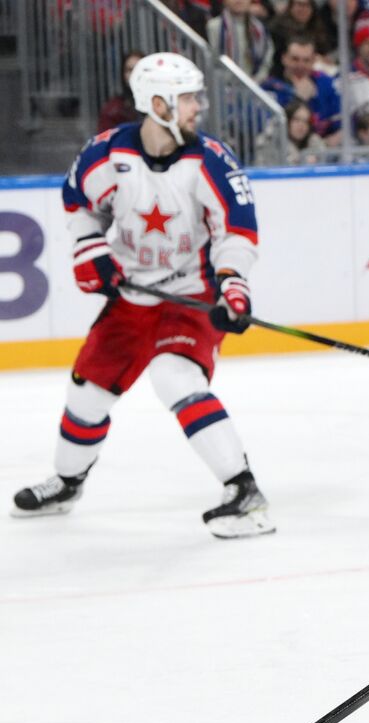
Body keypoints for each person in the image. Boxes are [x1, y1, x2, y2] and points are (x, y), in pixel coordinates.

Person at [13, 53, 273, 539]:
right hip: (131, 300)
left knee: (175, 377)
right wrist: (91, 249)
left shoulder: (211, 160)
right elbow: (80, 205)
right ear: (159, 104)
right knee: (86, 394)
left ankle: (244, 490)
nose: (199, 106)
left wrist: (233, 283)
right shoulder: (106, 154)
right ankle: (68, 483)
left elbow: (235, 231)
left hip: (190, 294)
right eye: (189, 97)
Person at [263, 34, 343, 141]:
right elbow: (269, 130)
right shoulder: (270, 86)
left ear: (314, 60)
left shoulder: (326, 83)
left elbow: (341, 124)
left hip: (321, 151)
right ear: (284, 58)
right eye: (295, 59)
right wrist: (297, 99)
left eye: (306, 60)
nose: (301, 66)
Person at [206, 0, 275, 83]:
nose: (239, 1)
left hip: (253, 86)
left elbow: (266, 61)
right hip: (222, 86)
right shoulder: (214, 26)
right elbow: (211, 61)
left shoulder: (260, 29)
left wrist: (255, 81)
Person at [256, 96, 327, 164]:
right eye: (297, 120)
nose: (301, 126)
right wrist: (301, 162)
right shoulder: (271, 142)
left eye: (306, 121)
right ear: (287, 121)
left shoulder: (314, 141)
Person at [98, 50, 146, 132]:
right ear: (123, 75)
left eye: (139, 69)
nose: (134, 74)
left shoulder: (161, 103)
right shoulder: (113, 110)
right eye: (129, 70)